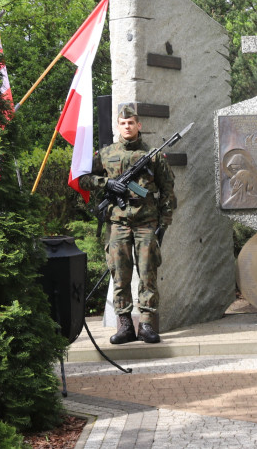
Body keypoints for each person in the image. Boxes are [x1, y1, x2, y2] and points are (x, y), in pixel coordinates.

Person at [79, 103, 176, 344]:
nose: (127, 127)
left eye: (131, 123)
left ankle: (146, 324)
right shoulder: (106, 154)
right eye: (123, 123)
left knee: (147, 274)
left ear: (138, 125)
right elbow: (82, 179)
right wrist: (107, 184)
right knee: (120, 274)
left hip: (146, 222)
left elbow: (167, 190)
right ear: (118, 126)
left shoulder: (153, 155)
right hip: (118, 223)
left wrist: (164, 221)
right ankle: (124, 325)